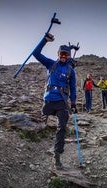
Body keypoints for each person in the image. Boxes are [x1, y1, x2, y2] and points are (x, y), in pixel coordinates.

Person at [33, 33, 77, 170]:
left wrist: (74, 103)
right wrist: (45, 40)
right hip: (49, 101)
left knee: (62, 127)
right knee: (43, 118)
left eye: (66, 55)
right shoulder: (50, 64)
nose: (64, 57)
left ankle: (57, 155)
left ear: (69, 56)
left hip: (62, 102)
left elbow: (73, 87)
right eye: (62, 54)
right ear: (58, 54)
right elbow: (36, 53)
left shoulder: (71, 71)